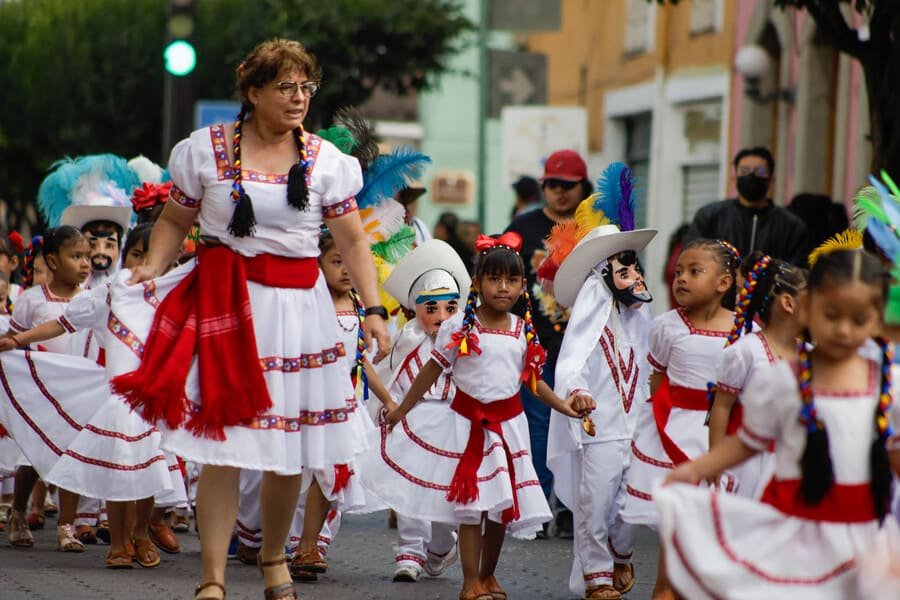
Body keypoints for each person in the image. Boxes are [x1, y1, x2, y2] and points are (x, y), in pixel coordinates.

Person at [112, 39, 390, 600]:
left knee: (289, 449)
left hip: (298, 309)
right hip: (225, 304)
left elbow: (353, 240)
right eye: (285, 87)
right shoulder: (206, 151)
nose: (298, 99)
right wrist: (153, 267)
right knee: (224, 448)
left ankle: (272, 563)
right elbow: (172, 220)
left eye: (305, 88)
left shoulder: (327, 163)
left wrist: (376, 308)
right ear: (253, 91)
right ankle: (212, 577)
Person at [658, 236, 899, 599]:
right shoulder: (781, 382)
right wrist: (699, 468)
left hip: (868, 537)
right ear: (805, 307)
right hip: (798, 534)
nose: (844, 330)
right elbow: (748, 442)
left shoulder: (889, 385)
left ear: (878, 319)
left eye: (859, 319)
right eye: (831, 315)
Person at [369, 231, 593, 600]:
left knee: (501, 510)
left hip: (509, 430)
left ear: (523, 285)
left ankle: (488, 576)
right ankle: (469, 581)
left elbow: (532, 382)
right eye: (494, 278)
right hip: (466, 426)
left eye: (512, 280)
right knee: (470, 510)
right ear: (477, 283)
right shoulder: (460, 327)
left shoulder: (522, 330)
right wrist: (400, 409)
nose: (503, 287)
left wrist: (564, 405)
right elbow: (430, 371)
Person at [0, 223, 186, 569]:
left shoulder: (172, 291)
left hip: (154, 395)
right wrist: (18, 340)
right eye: (137, 254)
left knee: (146, 469)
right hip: (117, 396)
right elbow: (64, 322)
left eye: (153, 254)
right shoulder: (111, 292)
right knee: (118, 467)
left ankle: (141, 533)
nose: (144, 262)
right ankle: (117, 543)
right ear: (127, 257)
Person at [543, 163, 658, 600]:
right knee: (596, 501)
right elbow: (571, 361)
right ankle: (596, 577)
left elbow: (651, 364)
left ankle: (620, 554)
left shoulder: (640, 319)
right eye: (622, 267)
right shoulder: (594, 314)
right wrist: (580, 393)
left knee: (632, 505)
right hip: (600, 426)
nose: (635, 276)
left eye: (635, 266)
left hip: (637, 426)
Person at [619, 238, 739, 600]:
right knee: (676, 525)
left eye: (695, 271)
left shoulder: (742, 330)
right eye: (679, 272)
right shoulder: (668, 326)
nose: (682, 279)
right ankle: (664, 589)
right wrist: (657, 424)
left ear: (724, 283)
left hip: (720, 436)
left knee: (710, 529)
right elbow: (658, 378)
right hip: (674, 433)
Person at [505, 149, 592, 537]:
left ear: (582, 187)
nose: (559, 192)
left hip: (586, 346)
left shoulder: (596, 228)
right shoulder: (523, 226)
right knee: (538, 426)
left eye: (567, 185)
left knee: (583, 424)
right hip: (536, 343)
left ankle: (575, 508)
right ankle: (538, 508)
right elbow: (502, 278)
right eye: (552, 184)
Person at [375, 238, 470, 583]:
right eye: (431, 308)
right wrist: (391, 409)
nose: (440, 317)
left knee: (446, 496)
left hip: (453, 424)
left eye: (449, 308)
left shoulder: (465, 344)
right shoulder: (406, 342)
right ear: (416, 309)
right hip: (414, 423)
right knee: (411, 490)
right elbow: (390, 377)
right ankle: (410, 552)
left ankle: (442, 546)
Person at [2, 226, 93, 552]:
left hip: (79, 390)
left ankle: (66, 526)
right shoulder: (31, 300)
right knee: (35, 456)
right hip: (41, 392)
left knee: (74, 455)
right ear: (52, 261)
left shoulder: (90, 298)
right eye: (76, 256)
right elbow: (15, 343)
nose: (85, 263)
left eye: (87, 256)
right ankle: (19, 512)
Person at [707, 251, 807, 499]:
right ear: (788, 303)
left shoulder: (810, 354)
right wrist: (716, 461)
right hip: (749, 465)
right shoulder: (745, 351)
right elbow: (722, 407)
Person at [685, 147, 810, 267]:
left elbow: (797, 272)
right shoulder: (710, 217)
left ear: (771, 180)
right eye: (744, 171)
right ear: (734, 179)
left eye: (759, 171)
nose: (751, 176)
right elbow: (693, 259)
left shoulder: (791, 226)